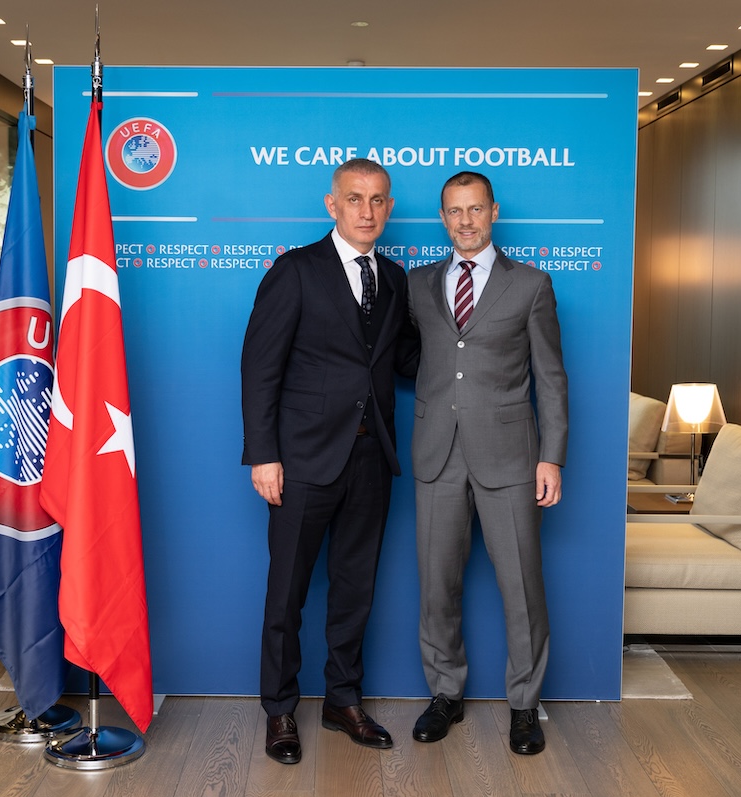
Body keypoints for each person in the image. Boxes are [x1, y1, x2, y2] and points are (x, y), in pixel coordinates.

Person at [241, 158, 415, 764]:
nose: (367, 211)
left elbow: (407, 359)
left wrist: (475, 345)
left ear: (389, 208)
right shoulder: (295, 270)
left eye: (378, 200)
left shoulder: (395, 278)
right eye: (355, 199)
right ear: (332, 205)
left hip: (372, 458)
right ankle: (279, 709)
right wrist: (264, 455)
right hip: (302, 461)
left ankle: (343, 700)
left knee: (354, 590)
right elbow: (259, 367)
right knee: (286, 593)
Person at [407, 171, 568, 755]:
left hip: (511, 459)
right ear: (442, 217)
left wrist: (551, 458)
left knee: (521, 586)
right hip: (437, 453)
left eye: (475, 209)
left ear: (493, 212)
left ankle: (524, 705)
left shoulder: (531, 284)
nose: (465, 221)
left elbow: (551, 379)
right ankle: (445, 694)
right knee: (436, 586)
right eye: (454, 211)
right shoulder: (417, 284)